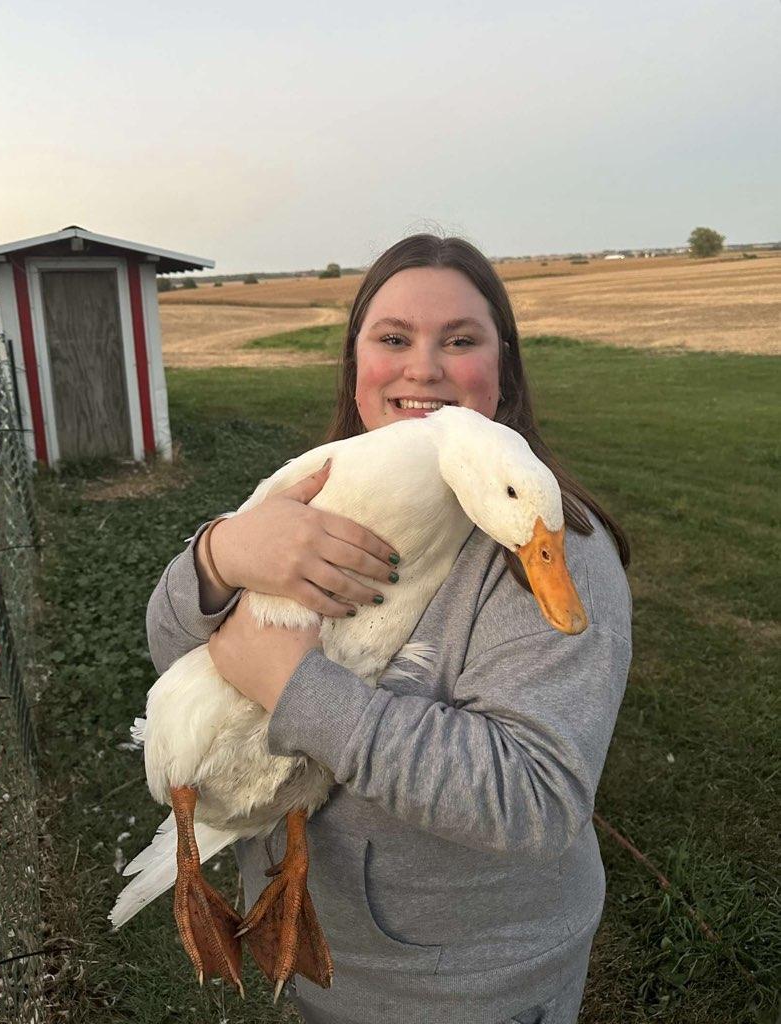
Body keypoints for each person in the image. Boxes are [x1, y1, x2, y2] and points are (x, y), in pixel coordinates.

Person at [146, 234, 632, 1024]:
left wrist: (293, 683)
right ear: (356, 361)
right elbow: (175, 654)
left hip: (471, 989)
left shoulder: (554, 556)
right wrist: (220, 552)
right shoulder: (313, 488)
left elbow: (535, 799)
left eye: (461, 341)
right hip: (332, 966)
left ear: (503, 369)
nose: (423, 369)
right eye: (394, 339)